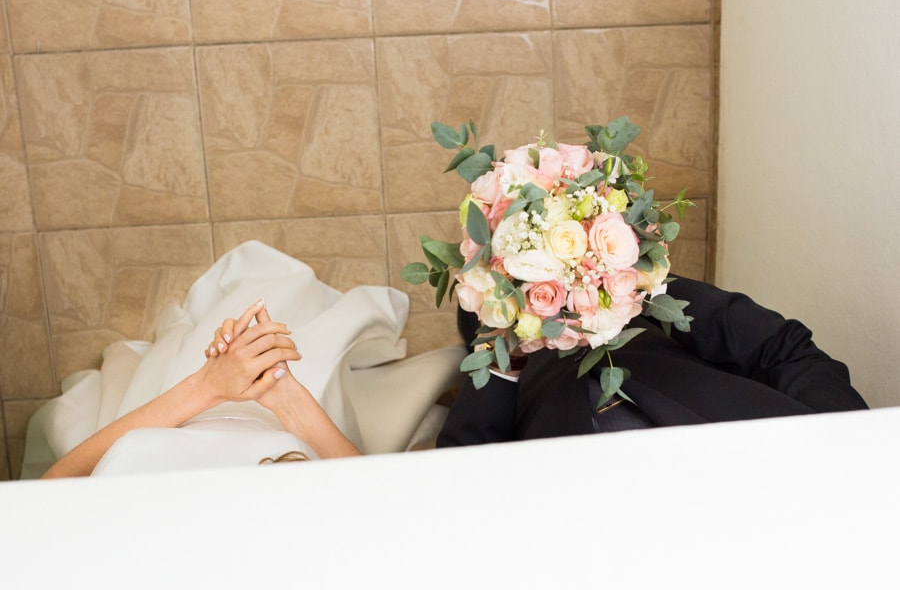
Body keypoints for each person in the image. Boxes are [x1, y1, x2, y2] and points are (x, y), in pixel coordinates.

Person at [436, 275, 869, 447]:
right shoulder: (507, 376)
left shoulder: (652, 313)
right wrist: (499, 354)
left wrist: (642, 285)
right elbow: (459, 480)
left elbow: (785, 349)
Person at [41, 300, 361, 479]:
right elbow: (376, 491)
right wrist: (284, 393)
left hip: (178, 408)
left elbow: (51, 488)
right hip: (290, 424)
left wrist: (205, 387)